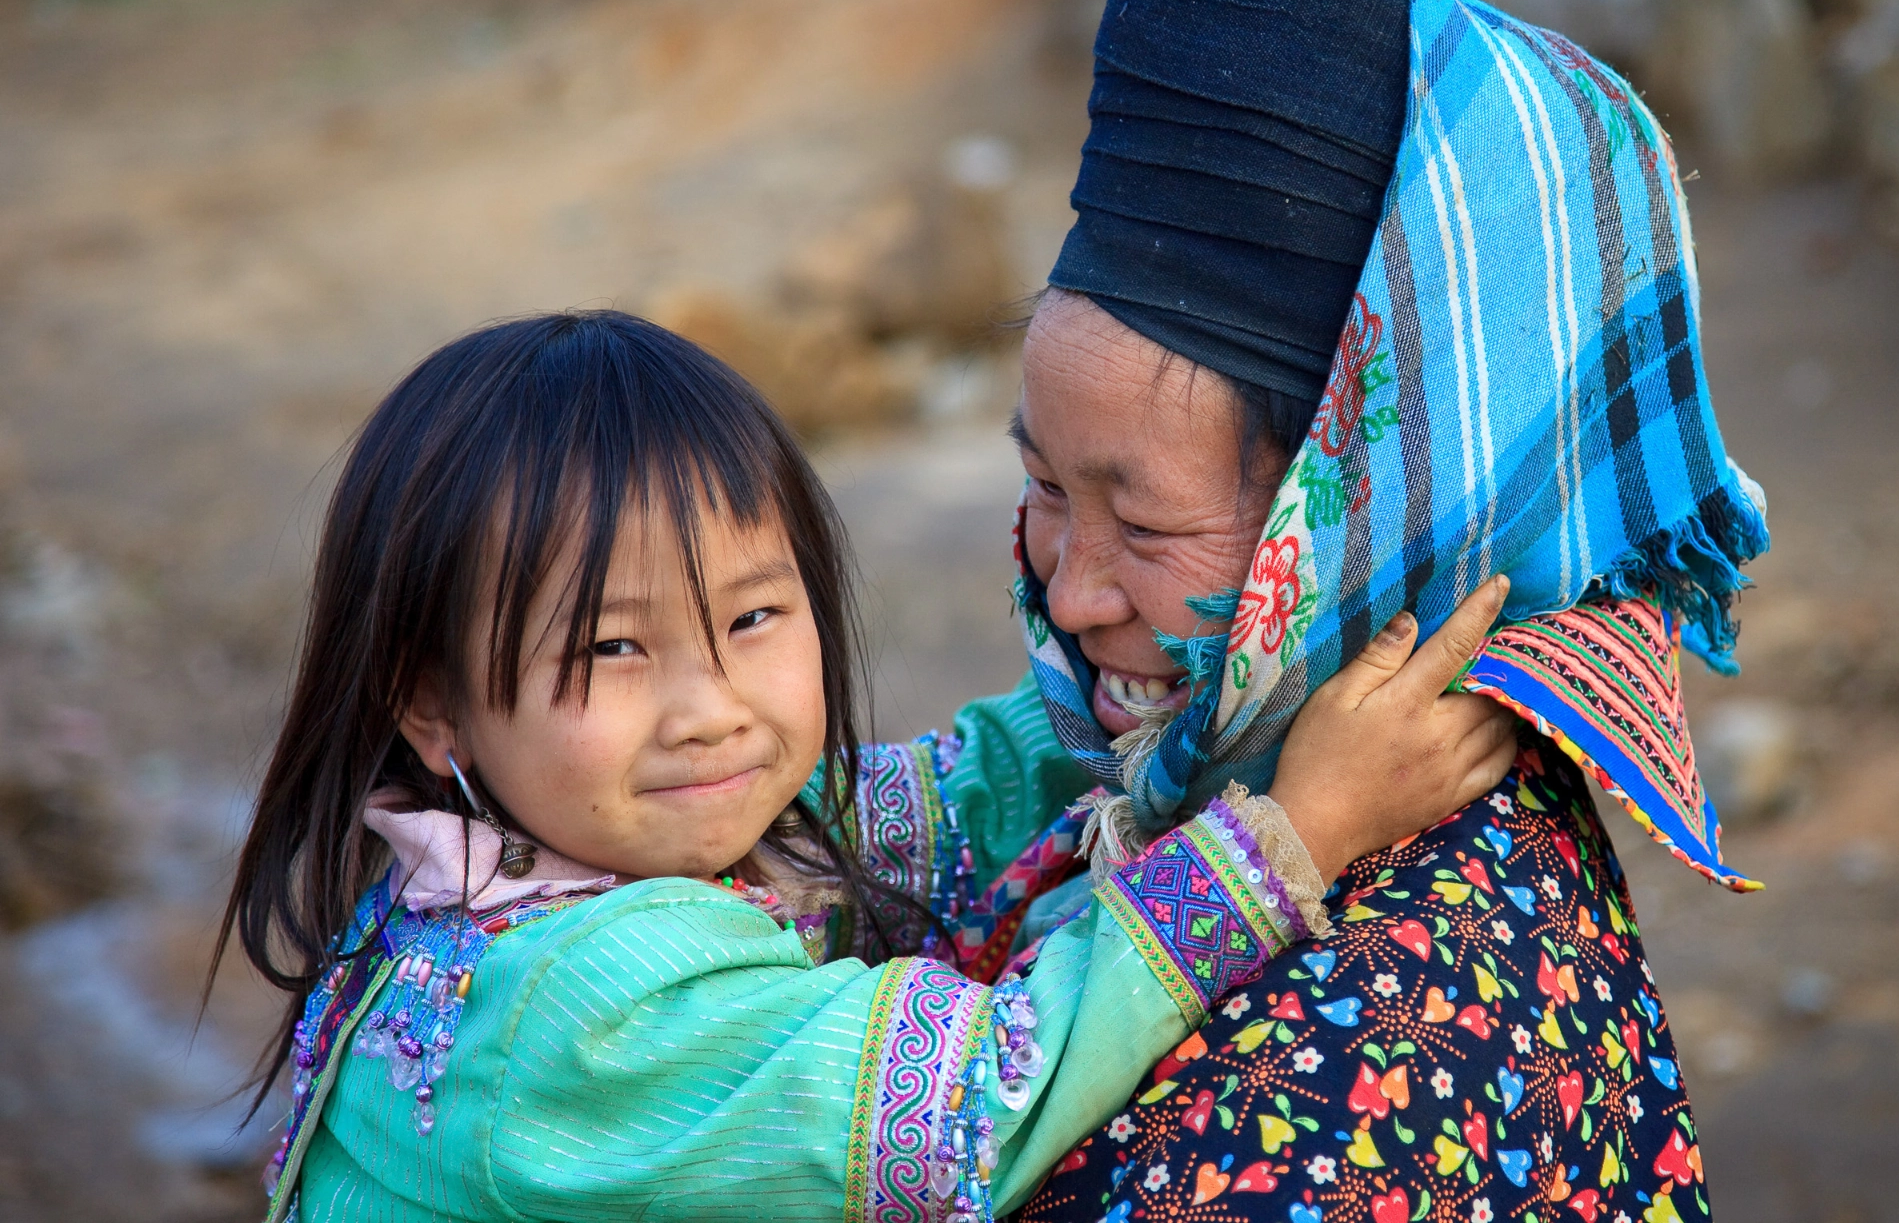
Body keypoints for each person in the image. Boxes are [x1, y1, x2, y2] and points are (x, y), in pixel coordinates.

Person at [216, 311, 1514, 1222]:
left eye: (751, 618)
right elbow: (981, 1098)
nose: (709, 711)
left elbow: (955, 795)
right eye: (612, 647)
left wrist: (1171, 698)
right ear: (430, 703)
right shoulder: (575, 1014)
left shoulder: (604, 831)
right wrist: (1301, 827)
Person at [990, 0, 1770, 1222]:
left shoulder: (1366, 1064)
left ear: (1362, 518)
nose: (1071, 597)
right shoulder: (1157, 786)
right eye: (1044, 485)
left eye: (1144, 520)